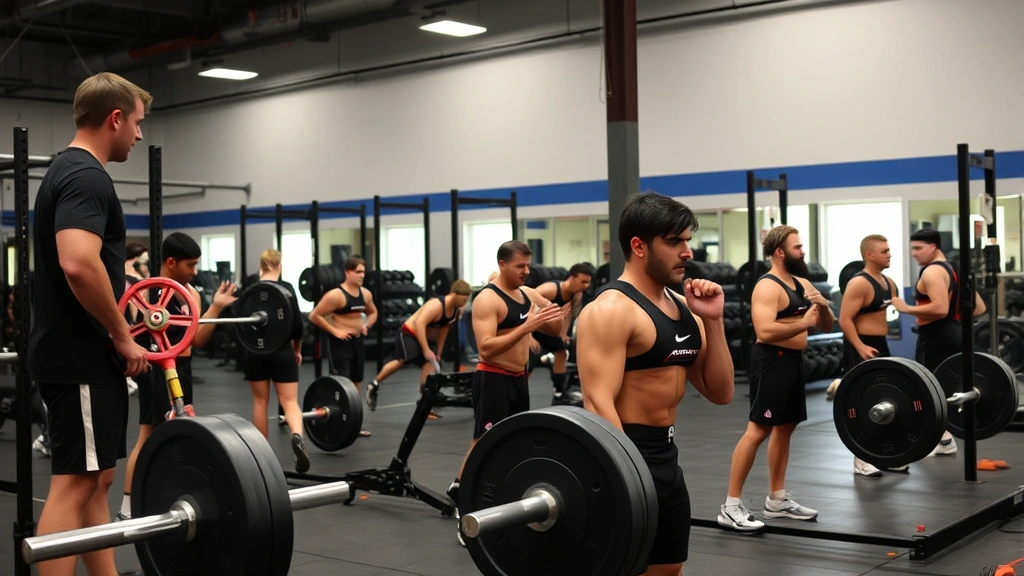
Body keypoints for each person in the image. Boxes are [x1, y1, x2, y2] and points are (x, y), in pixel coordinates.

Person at [28, 71, 153, 576]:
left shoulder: (69, 170)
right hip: (78, 355)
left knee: (97, 479)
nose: (139, 135)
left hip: (82, 355)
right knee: (75, 483)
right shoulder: (86, 176)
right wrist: (122, 334)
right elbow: (78, 262)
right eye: (137, 123)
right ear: (115, 118)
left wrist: (122, 318)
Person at [576, 192, 734, 576]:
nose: (687, 252)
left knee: (668, 569)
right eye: (674, 241)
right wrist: (625, 478)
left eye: (688, 241)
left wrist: (713, 321)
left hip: (667, 459)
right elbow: (597, 402)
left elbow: (721, 392)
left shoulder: (685, 308)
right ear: (639, 246)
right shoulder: (611, 310)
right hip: (626, 454)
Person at [448, 240, 568, 546]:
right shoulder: (488, 299)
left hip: (518, 379)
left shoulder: (526, 294)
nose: (526, 271)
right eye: (519, 266)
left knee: (512, 441)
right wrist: (528, 326)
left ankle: (474, 491)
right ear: (502, 264)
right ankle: (464, 505)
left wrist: (552, 319)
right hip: (493, 379)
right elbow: (486, 348)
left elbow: (554, 329)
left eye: (528, 265)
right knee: (484, 442)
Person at [718, 225, 833, 533]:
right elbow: (765, 331)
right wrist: (804, 322)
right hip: (771, 361)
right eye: (797, 247)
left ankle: (777, 499)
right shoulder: (767, 287)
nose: (803, 252)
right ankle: (730, 505)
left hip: (794, 362)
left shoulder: (802, 283)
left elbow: (824, 325)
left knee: (786, 427)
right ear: (780, 252)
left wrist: (822, 307)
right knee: (758, 430)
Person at [117, 232, 238, 521]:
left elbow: (197, 340)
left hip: (181, 369)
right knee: (152, 436)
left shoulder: (190, 293)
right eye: (190, 265)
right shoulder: (146, 292)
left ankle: (164, 502)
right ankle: (127, 509)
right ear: (171, 262)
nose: (195, 271)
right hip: (155, 371)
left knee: (172, 435)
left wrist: (216, 307)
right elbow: (129, 334)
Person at [891, 228, 986, 457]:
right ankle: (944, 438)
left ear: (933, 247)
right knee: (945, 387)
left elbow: (940, 308)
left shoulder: (932, 272)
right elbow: (979, 308)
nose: (914, 253)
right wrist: (953, 323)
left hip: (935, 336)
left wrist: (906, 308)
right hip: (954, 333)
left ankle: (938, 440)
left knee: (928, 387)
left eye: (918, 248)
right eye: (912, 248)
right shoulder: (954, 270)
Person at [835, 234, 905, 477]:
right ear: (869, 255)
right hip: (860, 346)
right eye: (884, 251)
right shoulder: (859, 283)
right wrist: (860, 347)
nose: (889, 254)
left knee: (887, 399)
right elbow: (844, 319)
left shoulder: (889, 283)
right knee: (861, 402)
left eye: (889, 250)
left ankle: (884, 456)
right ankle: (861, 459)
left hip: (880, 345)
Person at [241, 249, 310, 471]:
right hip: (282, 351)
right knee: (290, 402)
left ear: (261, 266)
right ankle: (297, 436)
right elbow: (298, 326)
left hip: (255, 352)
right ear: (279, 266)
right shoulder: (287, 290)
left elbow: (241, 325)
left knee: (260, 401)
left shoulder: (250, 290)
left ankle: (262, 455)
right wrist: (297, 350)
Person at [365, 279, 472, 412]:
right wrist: (426, 349)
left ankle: (424, 403)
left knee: (430, 363)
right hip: (409, 333)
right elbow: (419, 323)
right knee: (401, 361)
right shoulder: (436, 305)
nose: (465, 303)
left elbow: (444, 329)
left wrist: (439, 352)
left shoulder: (455, 311)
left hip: (423, 336)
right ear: (454, 294)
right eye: (463, 299)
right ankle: (374, 384)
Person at [310, 256, 378, 437]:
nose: (362, 275)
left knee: (356, 383)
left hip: (357, 342)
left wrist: (366, 325)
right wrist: (335, 331)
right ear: (347, 272)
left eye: (363, 272)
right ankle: (338, 423)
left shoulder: (365, 294)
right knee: (342, 384)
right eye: (358, 272)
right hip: (340, 344)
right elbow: (315, 316)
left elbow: (373, 312)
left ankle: (354, 424)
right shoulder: (336, 295)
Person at [529, 263, 593, 405]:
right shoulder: (550, 289)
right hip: (532, 328)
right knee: (530, 362)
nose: (586, 286)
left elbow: (568, 315)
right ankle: (520, 389)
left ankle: (558, 393)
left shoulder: (576, 294)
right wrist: (528, 336)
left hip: (549, 329)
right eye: (583, 282)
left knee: (561, 353)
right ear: (572, 278)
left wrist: (562, 333)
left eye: (588, 282)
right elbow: (525, 305)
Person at [122, 242, 149, 396]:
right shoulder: (128, 271)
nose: (145, 264)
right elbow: (133, 299)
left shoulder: (137, 271)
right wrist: (133, 323)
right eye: (143, 259)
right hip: (130, 310)